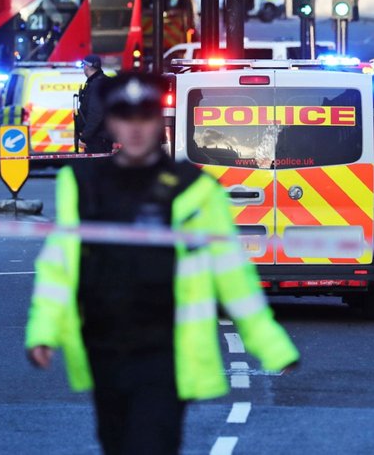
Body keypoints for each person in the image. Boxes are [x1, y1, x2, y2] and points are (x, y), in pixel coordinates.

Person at [26, 72, 298, 455]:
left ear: (159, 121)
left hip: (168, 351)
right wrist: (43, 331)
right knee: (117, 444)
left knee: (153, 443)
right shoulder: (83, 183)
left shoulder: (195, 188)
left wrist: (270, 345)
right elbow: (60, 265)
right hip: (105, 347)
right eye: (125, 117)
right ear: (112, 122)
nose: (135, 128)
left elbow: (232, 273)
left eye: (145, 117)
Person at [76, 54, 112, 153]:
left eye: (83, 66)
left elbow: (96, 114)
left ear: (87, 66)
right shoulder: (103, 82)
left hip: (97, 139)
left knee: (96, 166)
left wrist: (84, 137)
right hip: (103, 138)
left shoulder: (96, 85)